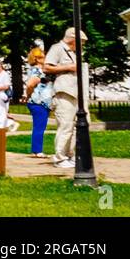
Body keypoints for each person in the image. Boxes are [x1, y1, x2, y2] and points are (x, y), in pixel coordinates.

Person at [43, 27, 89, 169]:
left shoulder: (74, 53)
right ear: (72, 40)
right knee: (65, 125)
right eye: (81, 42)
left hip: (77, 93)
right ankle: (59, 157)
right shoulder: (57, 48)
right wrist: (69, 67)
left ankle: (70, 155)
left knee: (78, 126)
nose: (82, 46)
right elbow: (46, 67)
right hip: (64, 93)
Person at [23, 46, 52, 158]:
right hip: (38, 102)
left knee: (39, 126)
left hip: (39, 102)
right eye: (42, 56)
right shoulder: (37, 70)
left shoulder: (38, 70)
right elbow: (30, 84)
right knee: (39, 126)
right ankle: (37, 150)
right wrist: (29, 94)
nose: (44, 58)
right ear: (36, 59)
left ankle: (36, 150)